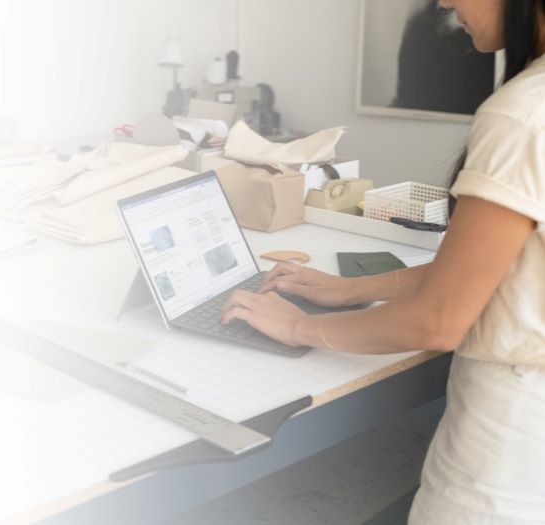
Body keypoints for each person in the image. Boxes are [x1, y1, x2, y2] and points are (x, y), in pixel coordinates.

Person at [222, 0, 545, 521]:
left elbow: (439, 322)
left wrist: (303, 328)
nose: (443, 3)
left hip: (505, 461)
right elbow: (511, 273)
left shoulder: (524, 113)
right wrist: (346, 289)